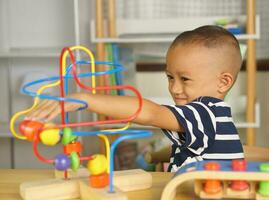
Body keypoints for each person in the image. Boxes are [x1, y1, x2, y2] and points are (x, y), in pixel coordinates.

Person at [27, 25, 244, 172]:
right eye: (170, 77)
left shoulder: (204, 112)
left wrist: (85, 99)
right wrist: (162, 159)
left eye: (185, 79)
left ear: (223, 82)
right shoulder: (212, 114)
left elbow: (149, 113)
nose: (174, 88)